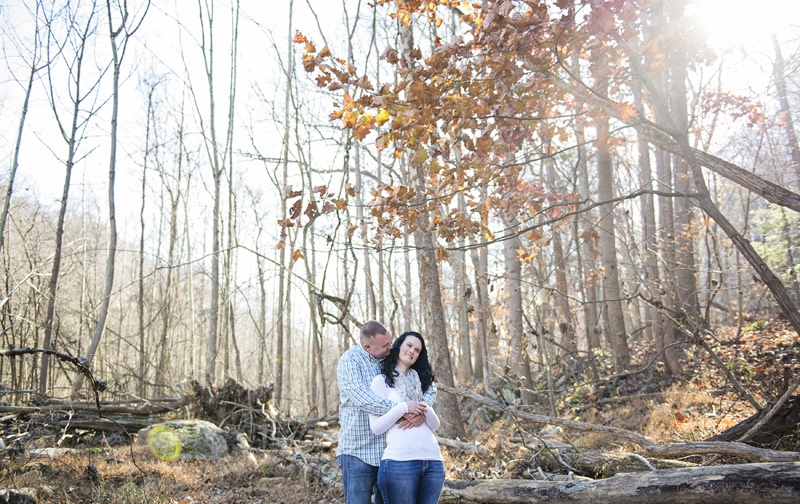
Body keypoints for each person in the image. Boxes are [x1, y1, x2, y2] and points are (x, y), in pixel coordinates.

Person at [337, 321, 436, 504]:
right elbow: (363, 399)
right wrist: (404, 409)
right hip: (359, 451)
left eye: (391, 342)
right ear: (368, 346)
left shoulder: (391, 358)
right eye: (385, 345)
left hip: (390, 453)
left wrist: (421, 408)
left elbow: (430, 387)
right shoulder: (350, 361)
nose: (391, 347)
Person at [369, 331, 444, 504]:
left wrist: (421, 408)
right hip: (399, 463)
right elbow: (376, 428)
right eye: (409, 345)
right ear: (398, 346)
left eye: (417, 350)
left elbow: (434, 425)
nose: (412, 351)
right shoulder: (381, 382)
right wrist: (403, 408)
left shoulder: (422, 383)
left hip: (433, 462)